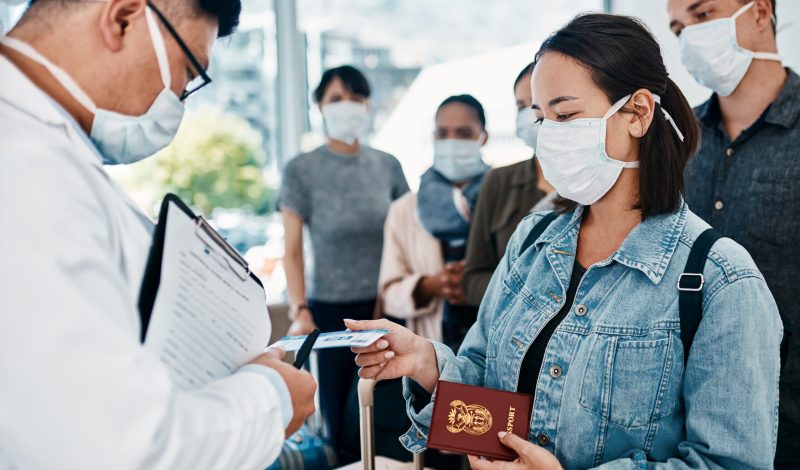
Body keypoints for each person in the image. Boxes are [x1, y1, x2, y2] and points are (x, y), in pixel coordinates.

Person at [346, 13, 783, 469]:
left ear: (637, 112)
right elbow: (483, 384)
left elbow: (731, 463)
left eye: (566, 114)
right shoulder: (531, 241)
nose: (549, 135)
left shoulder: (720, 281)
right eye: (541, 118)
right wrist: (427, 365)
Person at [0, 1, 316, 469]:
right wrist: (272, 397)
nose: (178, 101)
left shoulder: (51, 153)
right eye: (188, 74)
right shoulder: (25, 164)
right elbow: (120, 447)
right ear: (122, 18)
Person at [667, 1, 798, 466]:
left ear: (761, 11)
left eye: (702, 16)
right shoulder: (677, 142)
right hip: (679, 416)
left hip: (789, 417)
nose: (689, 37)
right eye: (678, 27)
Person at [276, 65, 409, 458]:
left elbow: (408, 230)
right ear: (319, 106)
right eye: (336, 99)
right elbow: (293, 249)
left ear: (368, 106)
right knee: (342, 425)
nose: (347, 106)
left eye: (355, 97)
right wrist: (299, 308)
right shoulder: (302, 169)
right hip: (330, 314)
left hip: (385, 308)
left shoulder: (387, 165)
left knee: (389, 418)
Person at [379, 94, 490, 353]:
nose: (451, 142)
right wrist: (433, 285)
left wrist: (479, 284)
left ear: (484, 137)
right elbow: (388, 295)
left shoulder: (506, 199)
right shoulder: (405, 210)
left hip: (495, 344)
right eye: (443, 133)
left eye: (464, 133)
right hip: (432, 347)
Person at [462, 62, 555, 307]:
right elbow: (472, 279)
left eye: (537, 103)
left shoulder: (591, 182)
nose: (531, 116)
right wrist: (525, 295)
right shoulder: (499, 182)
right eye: (522, 106)